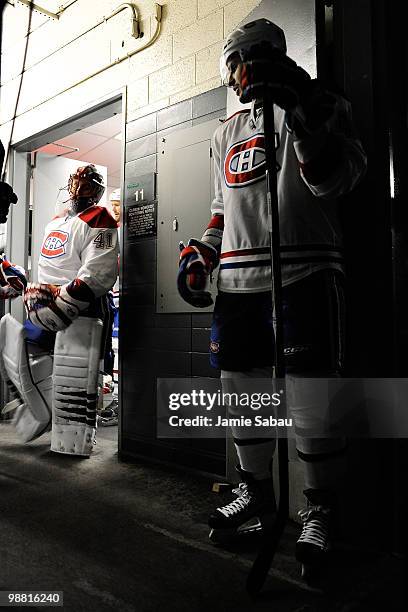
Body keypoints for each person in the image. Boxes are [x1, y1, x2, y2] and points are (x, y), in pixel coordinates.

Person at [177, 18, 366, 576]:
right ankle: (256, 491)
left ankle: (320, 510)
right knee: (242, 394)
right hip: (238, 283)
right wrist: (205, 253)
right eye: (236, 64)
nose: (241, 75)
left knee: (310, 399)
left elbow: (337, 181)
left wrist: (304, 113)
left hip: (305, 270)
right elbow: (222, 208)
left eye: (251, 62)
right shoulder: (222, 132)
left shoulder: (321, 102)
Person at [0, 164, 119, 456]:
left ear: (97, 191)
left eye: (88, 184)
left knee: (78, 377)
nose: (80, 189)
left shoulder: (100, 217)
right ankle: (38, 407)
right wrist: (29, 288)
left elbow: (100, 269)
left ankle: (74, 440)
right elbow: (48, 265)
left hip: (83, 307)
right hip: (44, 306)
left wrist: (66, 299)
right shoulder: (56, 221)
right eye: (77, 182)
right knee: (22, 352)